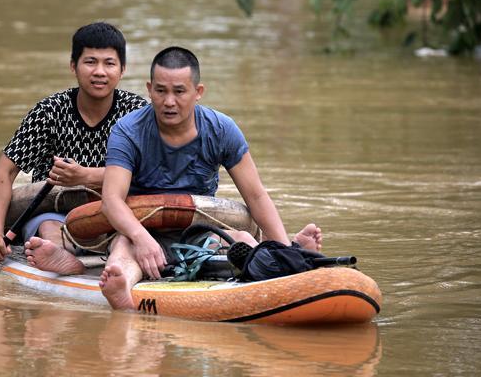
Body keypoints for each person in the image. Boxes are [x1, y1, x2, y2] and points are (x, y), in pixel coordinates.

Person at [98, 46, 322, 310]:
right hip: (143, 231)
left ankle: (291, 253)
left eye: (179, 91)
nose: (169, 101)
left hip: (201, 232)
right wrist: (141, 238)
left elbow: (256, 195)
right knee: (123, 247)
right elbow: (111, 200)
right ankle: (121, 288)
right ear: (149, 89)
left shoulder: (222, 129)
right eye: (161, 91)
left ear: (198, 92)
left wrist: (283, 250)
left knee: (243, 240)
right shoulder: (128, 131)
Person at [0, 22, 147, 274]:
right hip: (53, 211)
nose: (99, 72)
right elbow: (4, 173)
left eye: (109, 63)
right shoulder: (48, 112)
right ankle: (59, 257)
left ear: (122, 70)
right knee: (48, 229)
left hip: (116, 210)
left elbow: (152, 170)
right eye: (90, 62)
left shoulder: (137, 112)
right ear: (73, 66)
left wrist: (85, 176)